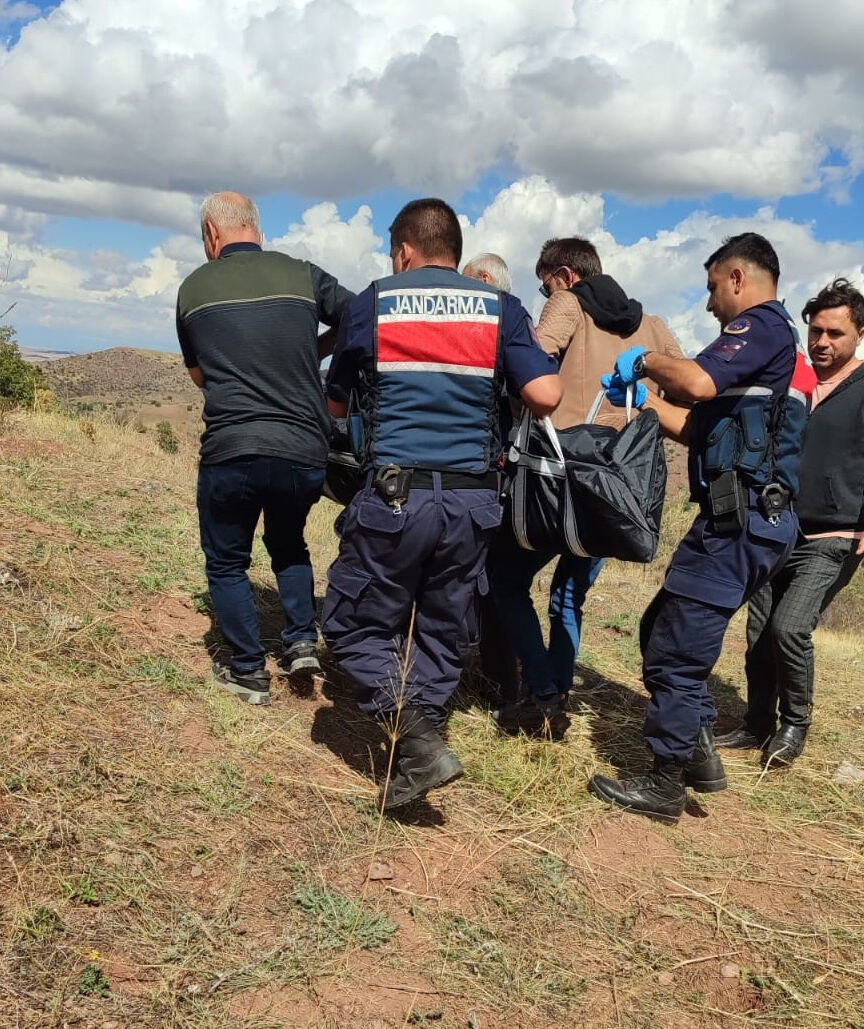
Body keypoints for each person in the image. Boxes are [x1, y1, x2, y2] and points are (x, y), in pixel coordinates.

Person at [322, 198, 561, 809]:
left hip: (394, 500)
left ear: (403, 251)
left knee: (351, 622)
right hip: (472, 504)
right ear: (454, 250)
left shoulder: (374, 300)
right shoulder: (500, 309)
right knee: (443, 627)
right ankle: (415, 750)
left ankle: (416, 737)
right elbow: (547, 393)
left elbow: (338, 408)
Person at [587, 232, 816, 824]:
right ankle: (699, 750)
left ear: (738, 278)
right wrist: (640, 401)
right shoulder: (759, 353)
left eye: (714, 288)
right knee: (660, 623)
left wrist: (643, 358)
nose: (711, 303)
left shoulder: (761, 326)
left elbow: (695, 382)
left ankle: (665, 781)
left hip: (739, 523)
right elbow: (695, 425)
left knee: (676, 650)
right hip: (735, 519)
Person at [487, 237, 685, 738]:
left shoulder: (568, 303)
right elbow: (684, 384)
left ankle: (543, 692)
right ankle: (555, 692)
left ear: (567, 276)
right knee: (568, 597)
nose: (544, 292)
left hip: (561, 476)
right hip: (618, 488)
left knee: (504, 579)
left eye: (544, 283)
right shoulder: (654, 325)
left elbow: (530, 359)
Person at [718, 278, 864, 766]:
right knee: (759, 631)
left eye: (835, 333)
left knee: (789, 628)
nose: (823, 342)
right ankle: (756, 722)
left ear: (860, 335)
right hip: (776, 526)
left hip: (836, 536)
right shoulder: (794, 378)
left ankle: (795, 724)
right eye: (816, 331)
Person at [176, 191, 353, 706]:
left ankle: (249, 670)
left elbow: (199, 375)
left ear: (211, 234)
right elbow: (357, 318)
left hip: (232, 448)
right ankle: (300, 641)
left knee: (227, 562)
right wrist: (311, 350)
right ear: (258, 229)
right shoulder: (302, 274)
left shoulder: (193, 288)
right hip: (303, 450)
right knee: (290, 543)